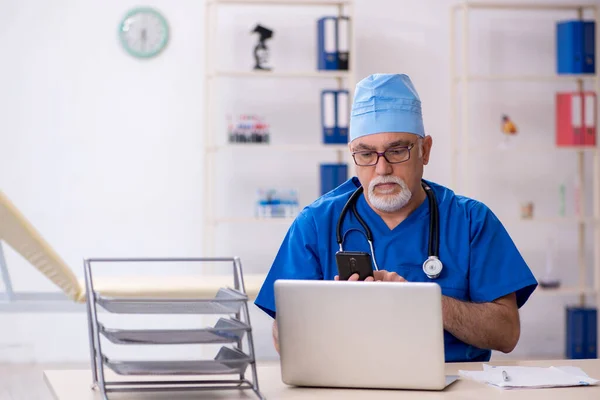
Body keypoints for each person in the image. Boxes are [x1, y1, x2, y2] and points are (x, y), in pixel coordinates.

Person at [254, 73, 538, 363]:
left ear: (424, 151)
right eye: (365, 154)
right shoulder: (315, 224)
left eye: (397, 151)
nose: (382, 169)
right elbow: (282, 336)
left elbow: (506, 334)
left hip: (454, 387)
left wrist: (423, 303)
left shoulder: (471, 222)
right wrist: (335, 310)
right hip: (345, 387)